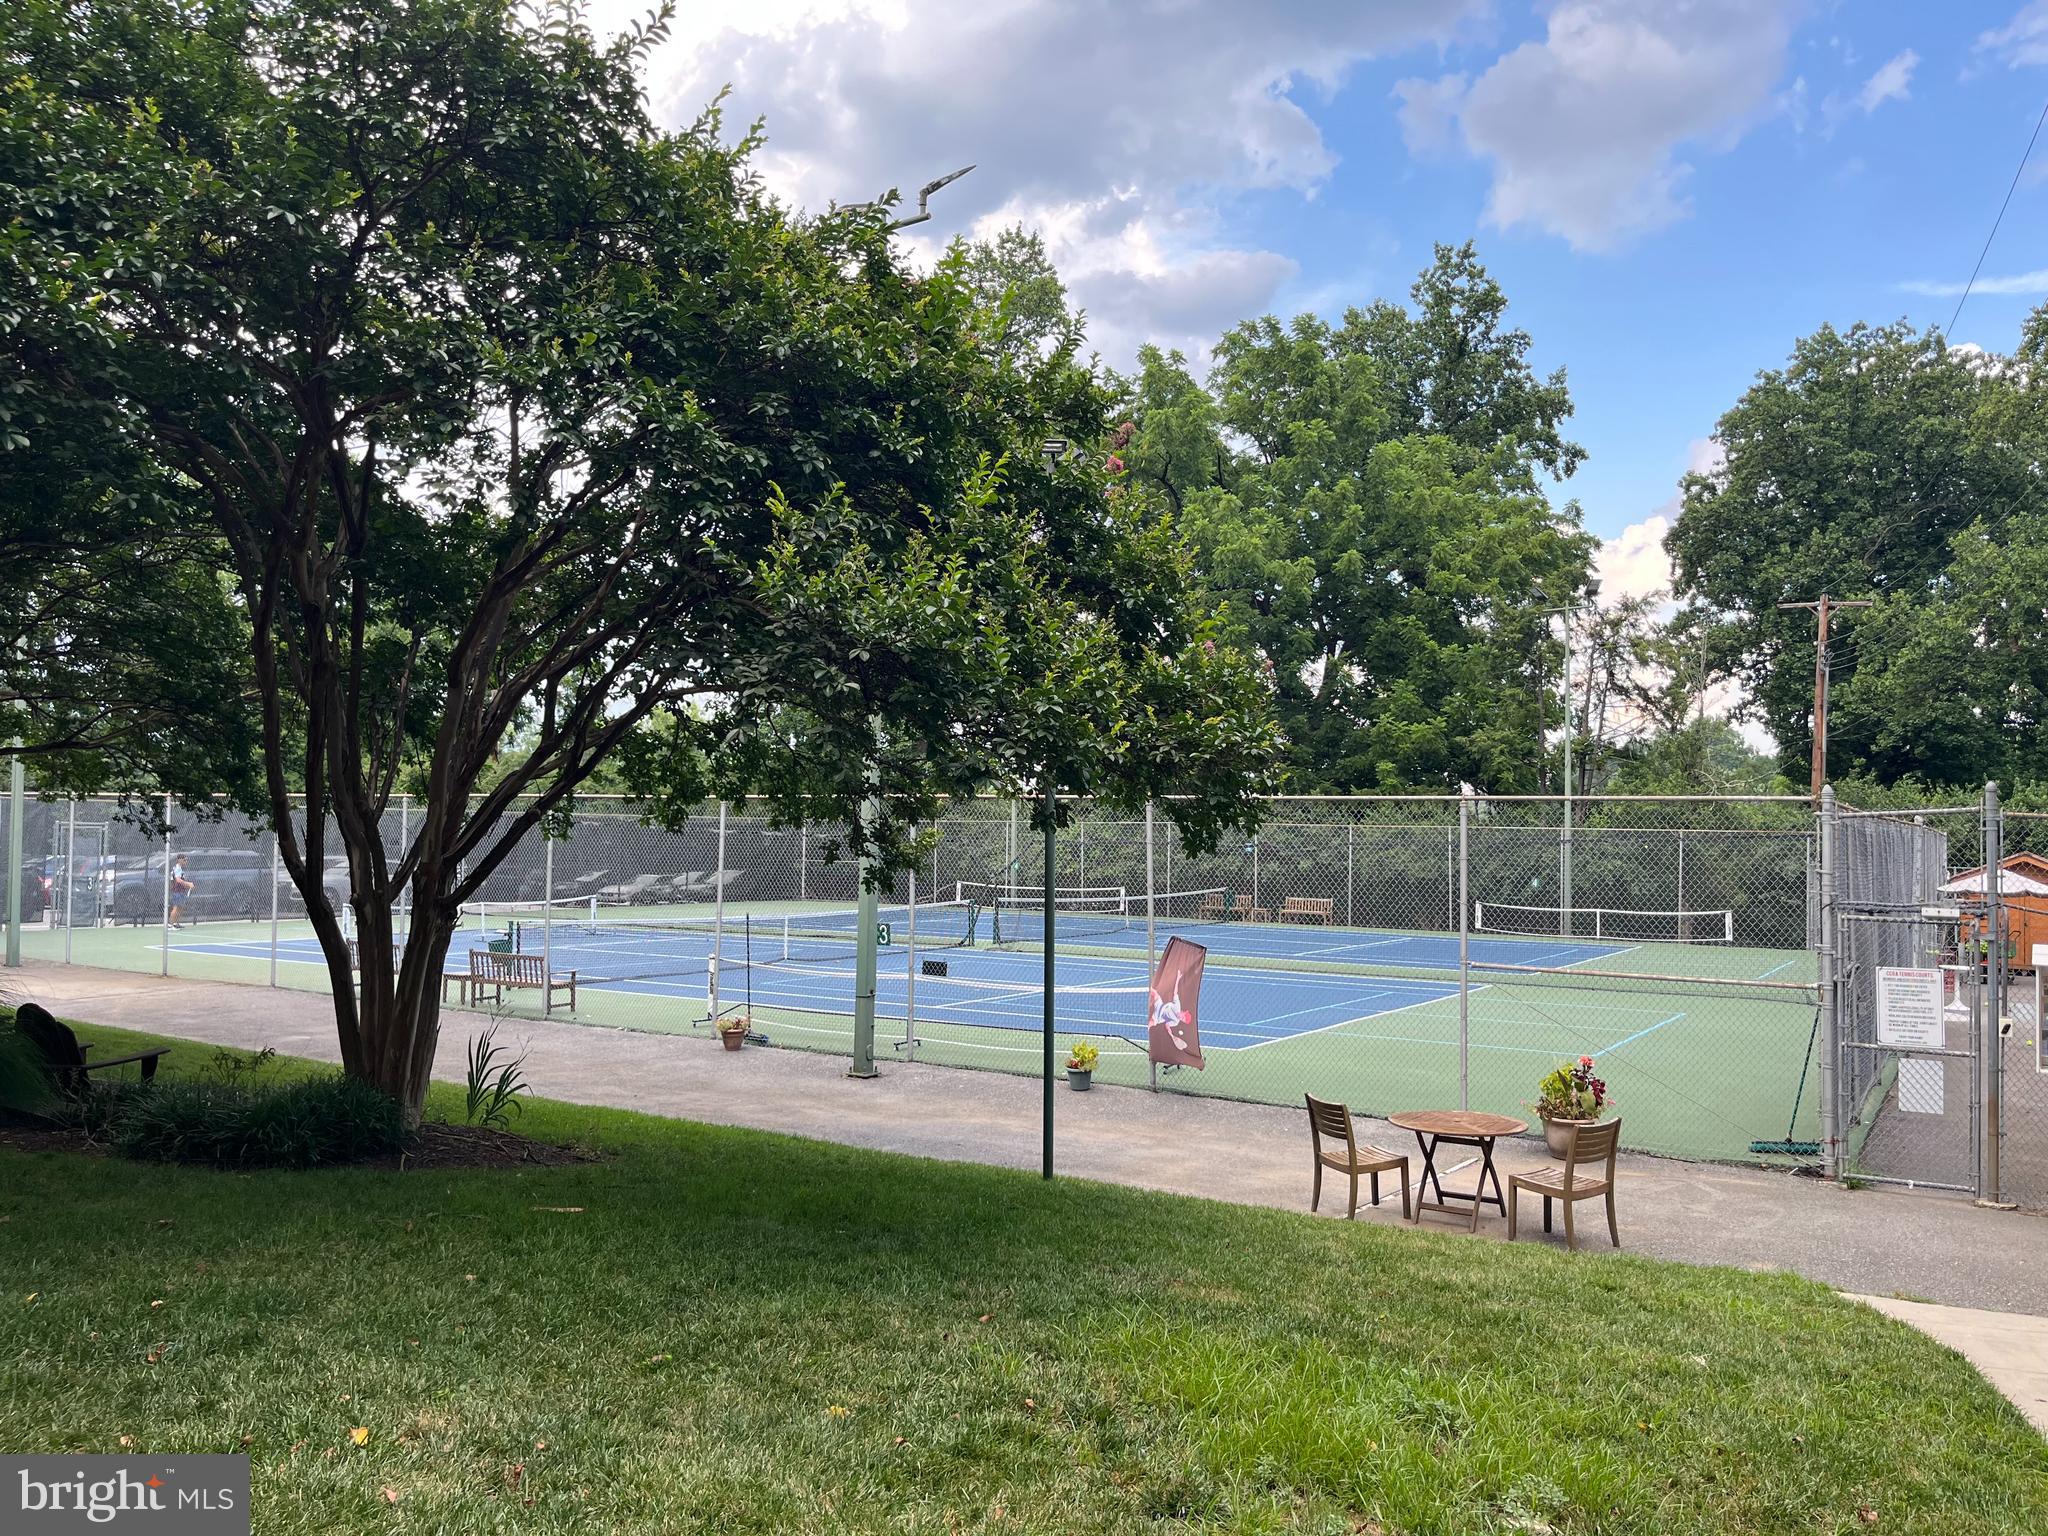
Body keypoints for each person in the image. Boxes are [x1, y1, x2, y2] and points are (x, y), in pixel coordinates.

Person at [168, 854, 194, 929]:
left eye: (186, 860)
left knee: (180, 907)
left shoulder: (180, 868)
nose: (186, 862)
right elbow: (178, 880)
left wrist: (186, 885)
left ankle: (175, 923)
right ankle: (170, 925)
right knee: (176, 907)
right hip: (177, 891)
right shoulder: (177, 868)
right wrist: (188, 884)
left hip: (181, 890)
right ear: (179, 860)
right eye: (184, 860)